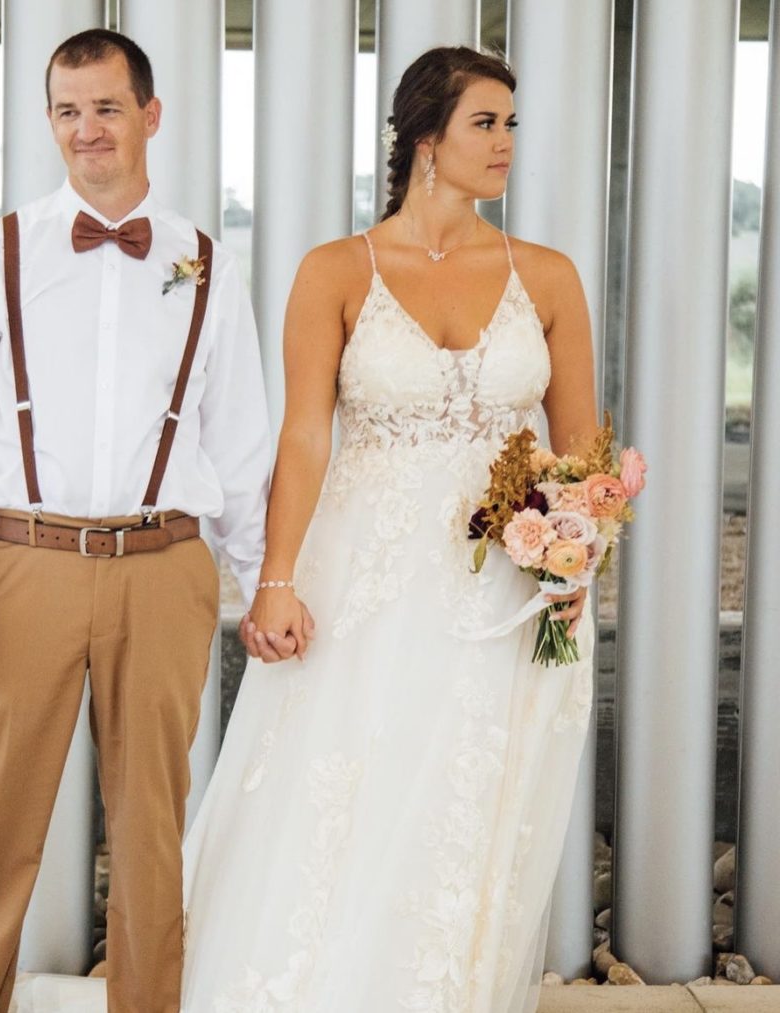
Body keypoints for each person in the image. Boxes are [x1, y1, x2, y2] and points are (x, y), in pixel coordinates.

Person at [181, 46, 597, 1012]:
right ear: (425, 139)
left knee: (466, 800)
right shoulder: (335, 270)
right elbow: (302, 437)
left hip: (500, 592)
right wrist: (273, 578)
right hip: (360, 582)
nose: (505, 144)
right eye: (484, 124)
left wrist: (570, 564)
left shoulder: (547, 276)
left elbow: (580, 447)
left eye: (511, 125)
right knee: (343, 790)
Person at [0, 29, 271, 1013]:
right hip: (25, 561)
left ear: (150, 115)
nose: (86, 130)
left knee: (151, 826)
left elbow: (239, 438)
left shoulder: (202, 262)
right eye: (67, 110)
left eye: (106, 107)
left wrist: (267, 574)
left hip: (165, 563)